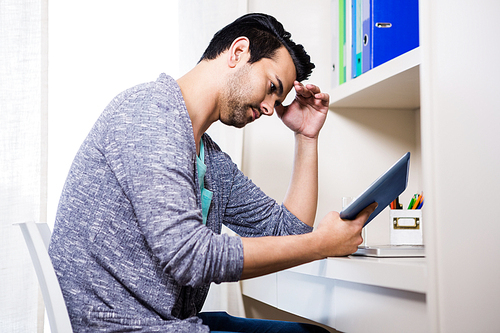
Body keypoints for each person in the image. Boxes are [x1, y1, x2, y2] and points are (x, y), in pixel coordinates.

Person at [49, 13, 376, 332]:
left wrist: (306, 136)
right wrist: (321, 244)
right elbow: (189, 255)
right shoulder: (150, 113)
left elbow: (289, 233)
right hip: (126, 326)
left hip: (167, 322)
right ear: (238, 52)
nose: (267, 108)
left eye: (277, 100)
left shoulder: (210, 159)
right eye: (272, 87)